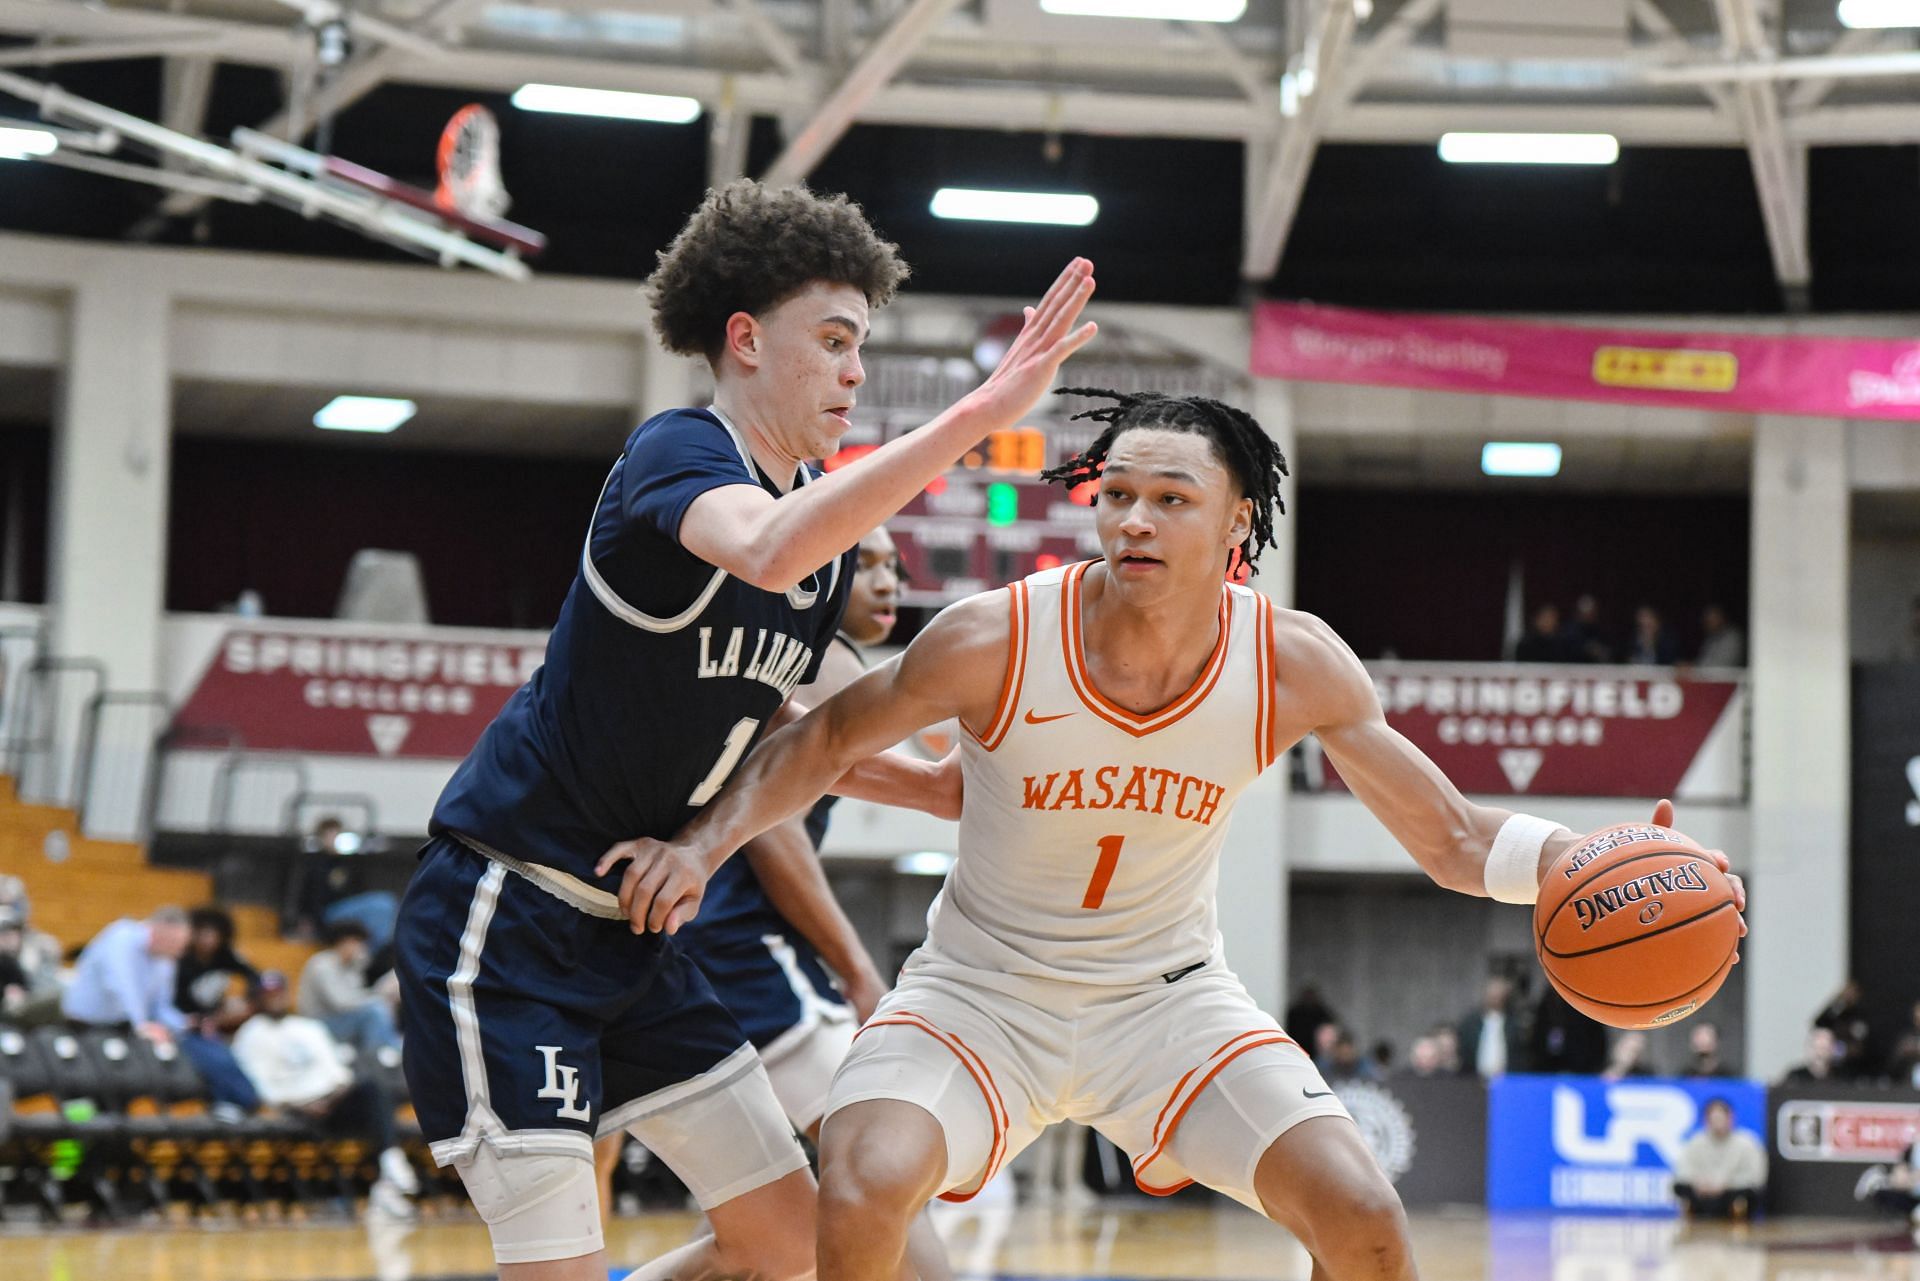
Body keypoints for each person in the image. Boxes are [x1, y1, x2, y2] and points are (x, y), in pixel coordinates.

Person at [598, 385, 1748, 1281]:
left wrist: (1579, 860)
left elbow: (1447, 838)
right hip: (979, 993)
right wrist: (700, 846)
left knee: (1363, 1218)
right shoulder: (995, 636)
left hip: (1171, 1001)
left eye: (1171, 499)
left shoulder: (1291, 662)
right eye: (1117, 495)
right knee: (859, 1186)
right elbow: (826, 737)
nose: (1134, 519)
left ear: (1238, 521)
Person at [392, 177, 1098, 1281]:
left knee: (786, 1249)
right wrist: (978, 418)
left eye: (862, 345)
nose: (855, 371)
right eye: (833, 339)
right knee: (556, 1263)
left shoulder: (811, 541)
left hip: (638, 938)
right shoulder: (681, 454)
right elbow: (769, 548)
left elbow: (804, 742)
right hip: (509, 917)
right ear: (745, 341)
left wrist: (964, 783)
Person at [232, 971, 419, 1220]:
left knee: (375, 1091)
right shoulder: (250, 1035)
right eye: (269, 995)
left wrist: (336, 1095)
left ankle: (387, 1170)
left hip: (331, 1103)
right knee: (377, 1115)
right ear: (257, 998)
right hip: (295, 1109)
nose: (275, 999)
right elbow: (259, 1086)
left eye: (279, 993)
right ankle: (387, 1177)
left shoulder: (308, 1027)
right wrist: (299, 1105)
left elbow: (336, 1072)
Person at [299, 920, 402, 1058]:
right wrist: (377, 995)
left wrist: (359, 967)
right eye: (359, 943)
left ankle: (382, 1054)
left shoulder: (351, 966)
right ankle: (383, 1054)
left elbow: (357, 996)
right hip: (318, 1024)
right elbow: (341, 1003)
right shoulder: (322, 964)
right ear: (345, 942)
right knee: (375, 1010)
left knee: (379, 1007)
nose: (362, 948)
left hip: (340, 1020)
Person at [1672, 1098, 1765, 1221]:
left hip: (1730, 1193)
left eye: (1720, 1119)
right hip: (1702, 1194)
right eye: (1713, 1119)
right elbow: (1682, 1171)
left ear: (1730, 1118)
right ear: (1706, 1120)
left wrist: (1725, 1185)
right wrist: (1699, 1183)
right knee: (1680, 1187)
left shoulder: (1747, 1142)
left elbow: (1756, 1177)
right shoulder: (1695, 1142)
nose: (1717, 1124)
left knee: (1747, 1193)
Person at [1458, 976, 1523, 1079]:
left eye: (1498, 996)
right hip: (1473, 1080)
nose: (1495, 999)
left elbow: (1519, 1055)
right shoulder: (1470, 1023)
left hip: (1506, 1080)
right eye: (1492, 996)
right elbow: (1464, 1052)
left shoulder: (1514, 1024)